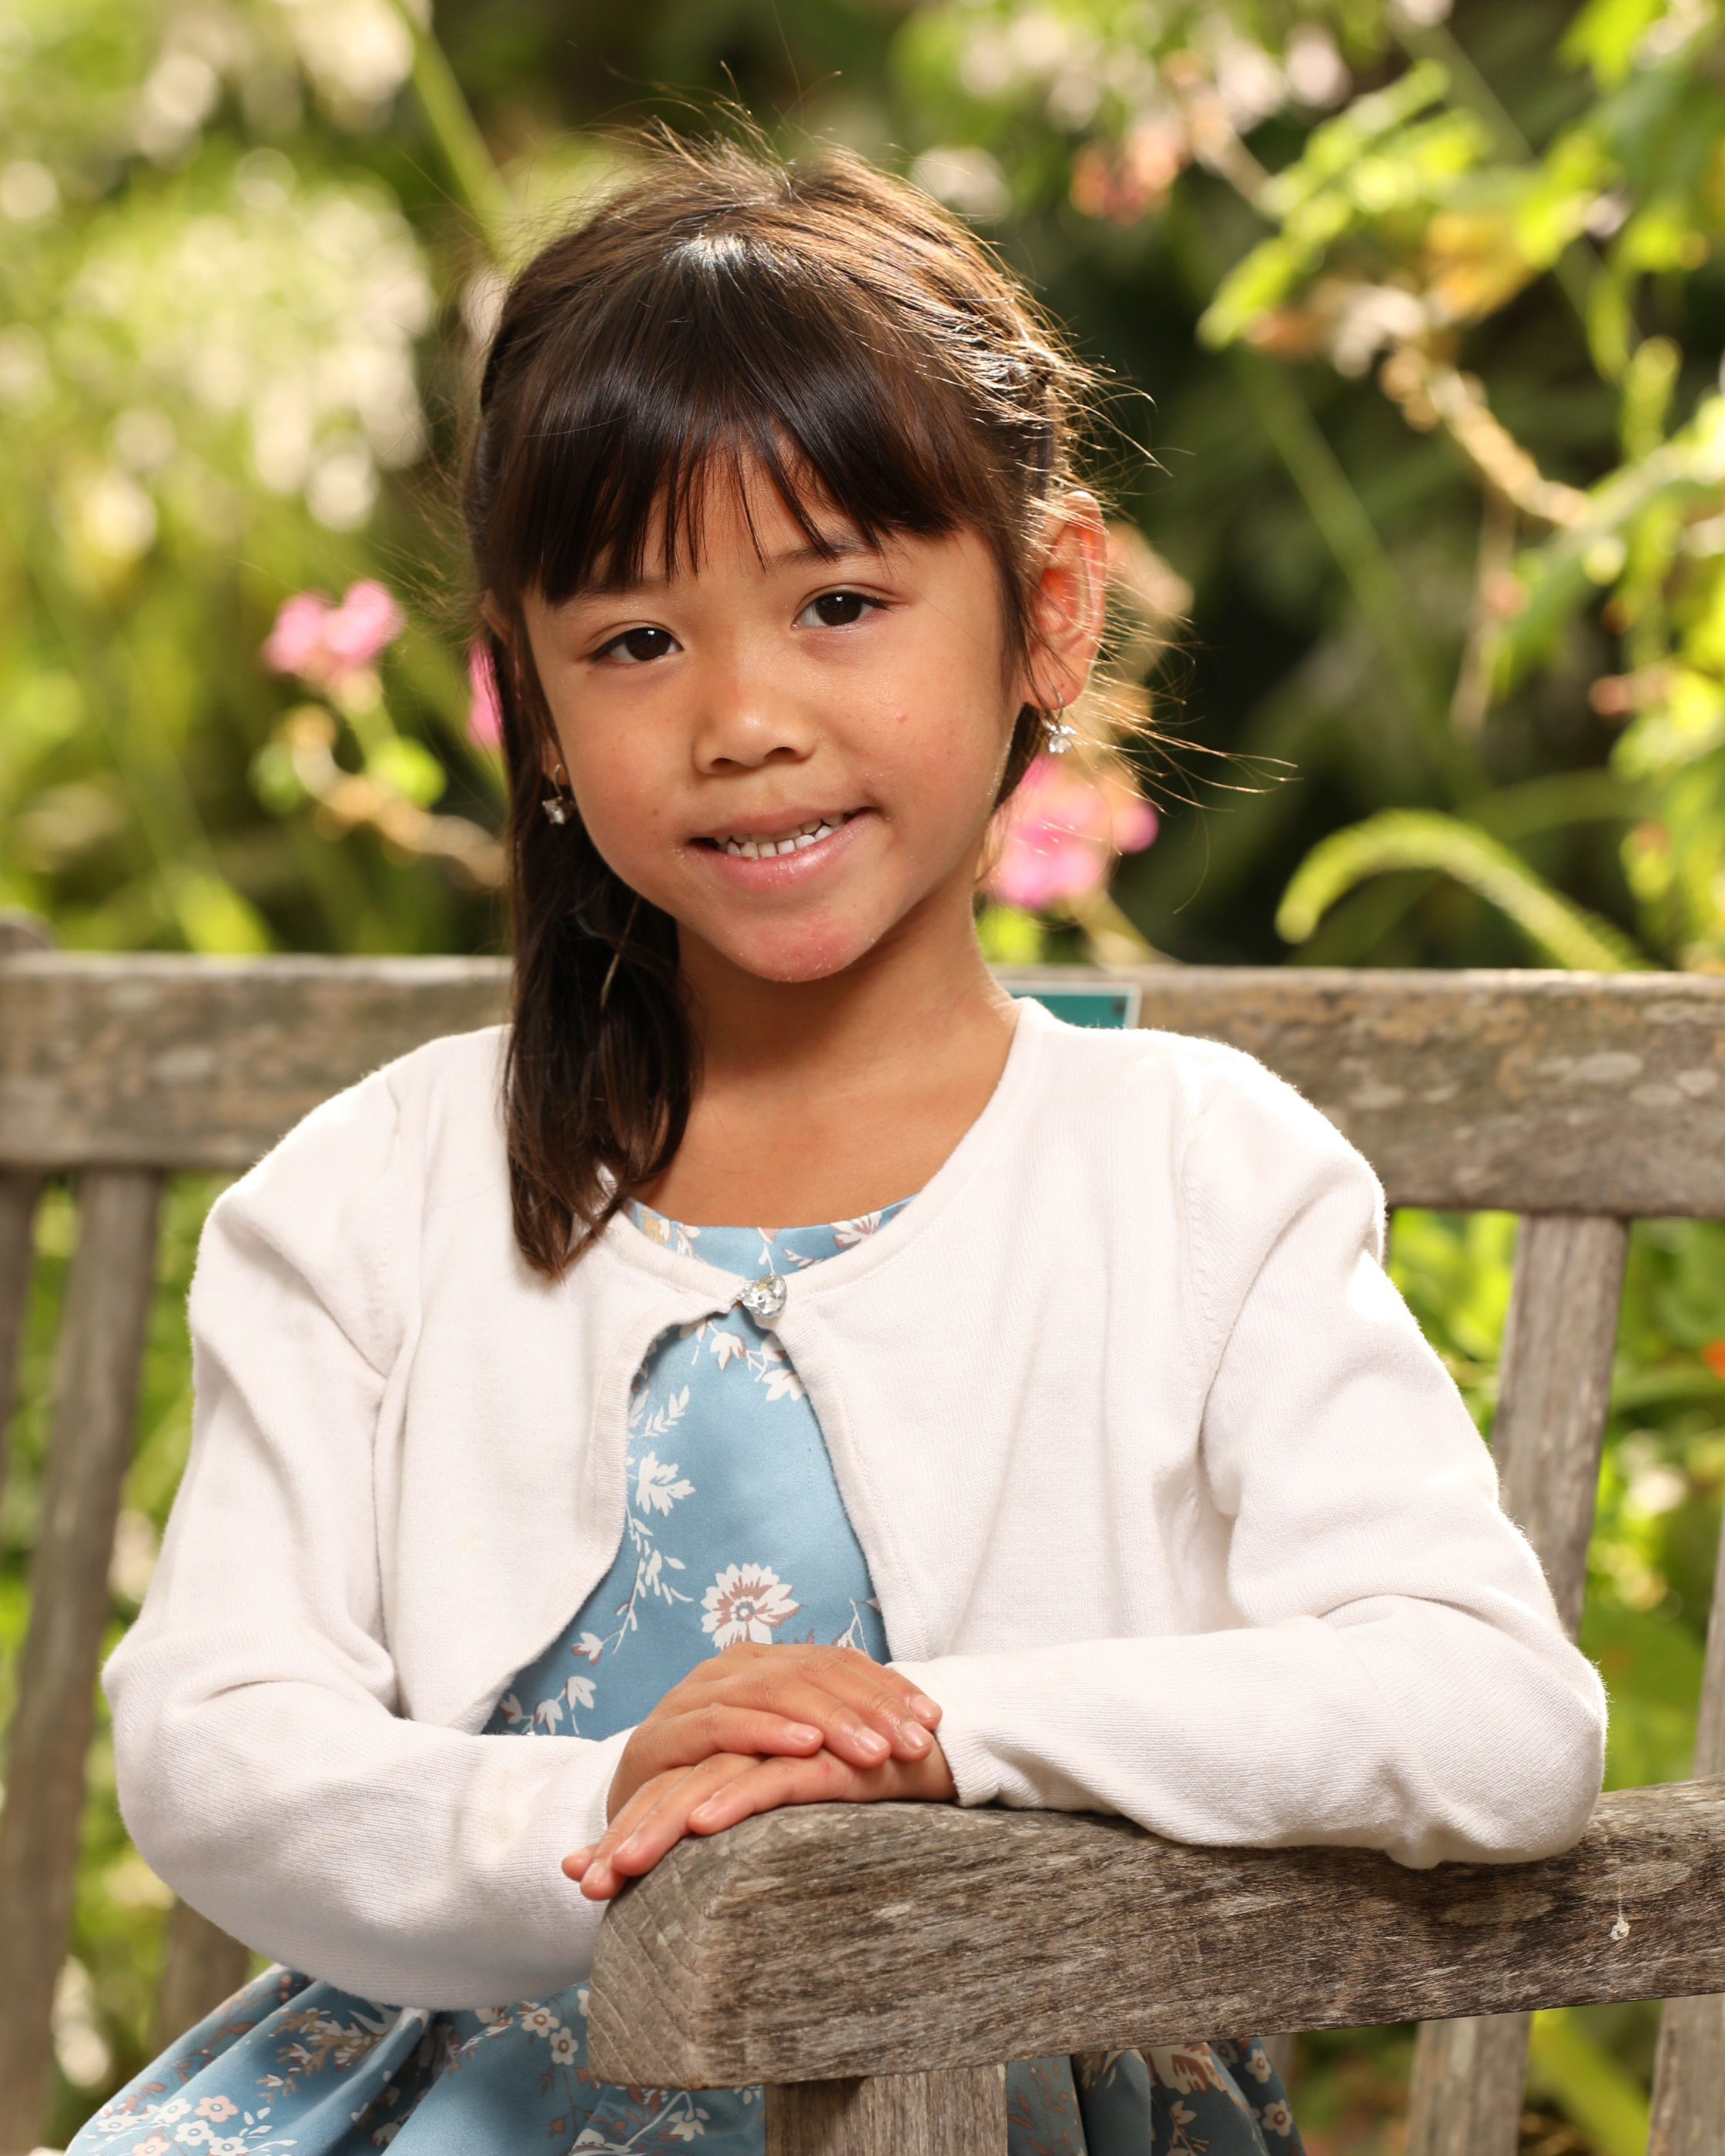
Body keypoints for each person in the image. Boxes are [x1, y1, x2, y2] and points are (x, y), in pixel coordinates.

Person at [74, 136, 1606, 2156]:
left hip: (987, 2090)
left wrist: (939, 1744)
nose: (744, 716)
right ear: (527, 699)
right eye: (636, 642)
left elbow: (1496, 1714)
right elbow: (214, 1742)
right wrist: (603, 1801)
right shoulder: (374, 1197)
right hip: (473, 2090)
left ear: (1051, 613)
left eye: (841, 603)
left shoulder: (1195, 1181)